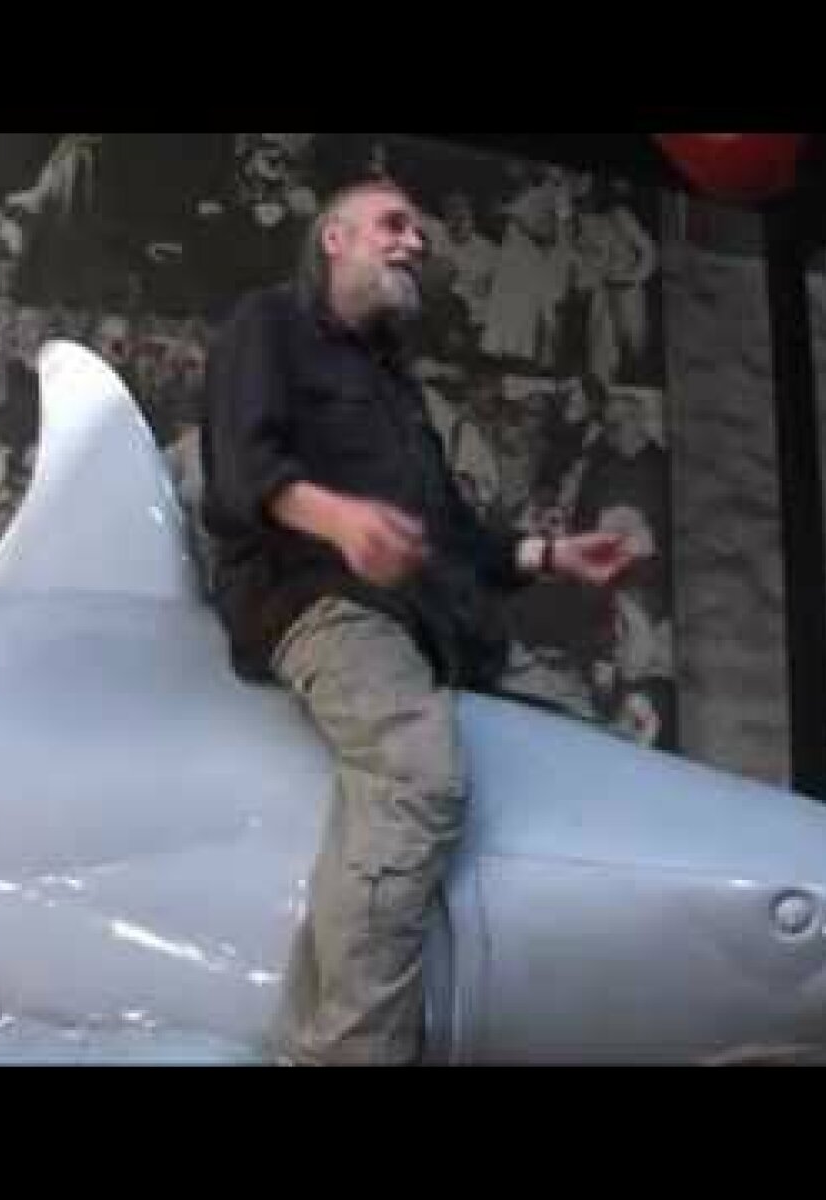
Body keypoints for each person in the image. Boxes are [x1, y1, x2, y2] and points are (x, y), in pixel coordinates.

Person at [200, 177, 633, 1066]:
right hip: (314, 602)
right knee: (414, 772)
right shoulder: (268, 324)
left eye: (421, 234)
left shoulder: (396, 385)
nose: (415, 243)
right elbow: (241, 470)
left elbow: (456, 539)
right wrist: (338, 521)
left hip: (424, 625)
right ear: (333, 237)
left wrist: (556, 556)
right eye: (394, 225)